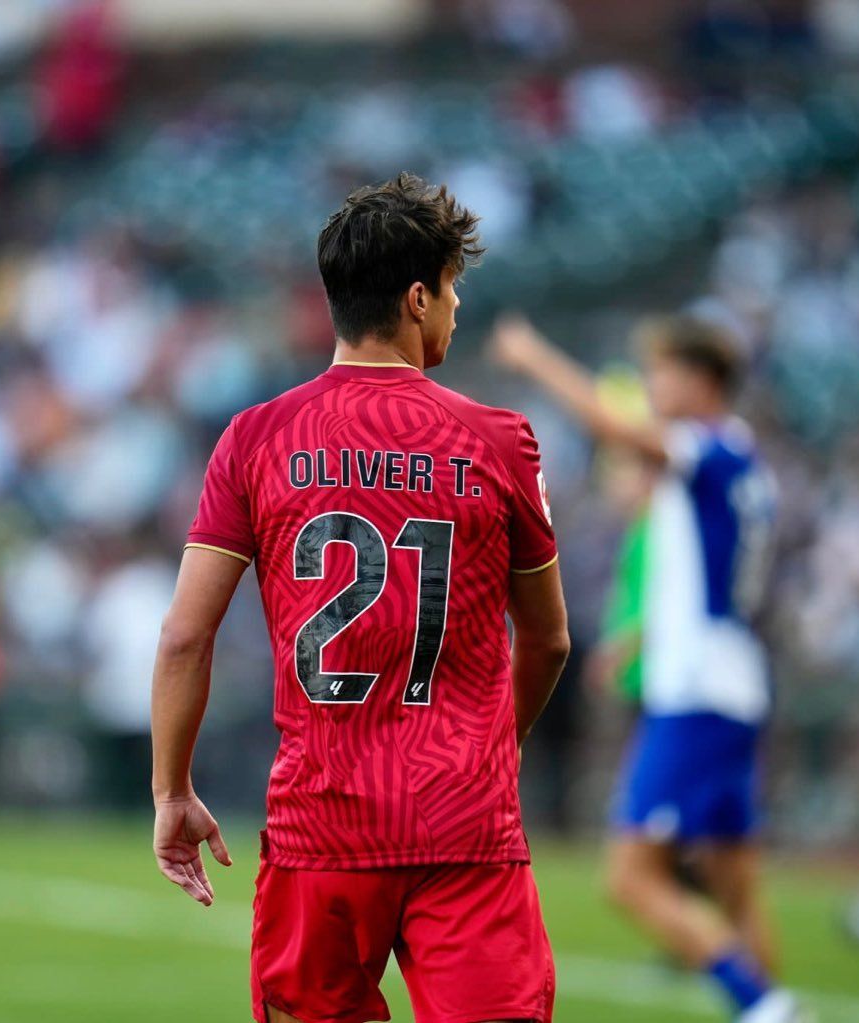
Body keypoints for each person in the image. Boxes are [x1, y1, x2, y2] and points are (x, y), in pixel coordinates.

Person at [151, 173, 570, 1023]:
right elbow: (550, 639)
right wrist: (501, 743)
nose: (455, 311)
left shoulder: (256, 437)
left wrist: (171, 791)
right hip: (463, 823)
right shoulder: (498, 439)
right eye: (452, 290)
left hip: (321, 827)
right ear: (417, 298)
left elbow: (184, 638)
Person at [490, 315, 808, 1023]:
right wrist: (636, 636)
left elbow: (619, 430)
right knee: (733, 883)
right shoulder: (739, 457)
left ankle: (766, 1005)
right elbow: (703, 572)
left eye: (661, 373)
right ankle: (770, 1008)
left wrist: (534, 355)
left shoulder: (705, 448)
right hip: (728, 679)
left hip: (696, 690)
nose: (650, 388)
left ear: (700, 381)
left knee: (630, 877)